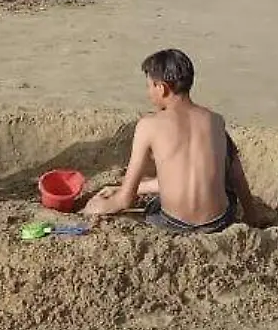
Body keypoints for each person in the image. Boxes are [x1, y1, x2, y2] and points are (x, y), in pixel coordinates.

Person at [82, 49, 262, 233]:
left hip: (174, 224)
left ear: (162, 88)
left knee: (153, 206)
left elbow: (124, 201)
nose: (148, 93)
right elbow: (236, 173)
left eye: (150, 86)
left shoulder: (148, 126)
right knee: (219, 175)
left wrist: (93, 209)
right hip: (218, 223)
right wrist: (251, 215)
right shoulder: (216, 120)